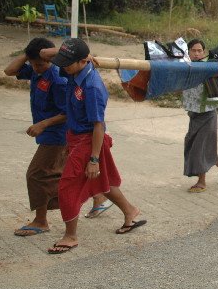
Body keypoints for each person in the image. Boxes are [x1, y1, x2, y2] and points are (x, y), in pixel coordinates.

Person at [41, 38, 145, 254]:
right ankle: (130, 211)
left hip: (89, 141)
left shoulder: (92, 86)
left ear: (81, 62)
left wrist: (94, 159)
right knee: (102, 181)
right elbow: (43, 54)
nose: (62, 66)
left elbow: (98, 125)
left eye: (67, 62)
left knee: (67, 187)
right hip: (76, 137)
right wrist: (72, 53)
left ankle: (70, 236)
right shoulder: (73, 71)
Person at [4, 38, 73, 237]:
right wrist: (29, 54)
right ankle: (99, 194)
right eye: (33, 64)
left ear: (50, 60)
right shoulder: (36, 71)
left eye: (40, 64)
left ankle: (41, 221)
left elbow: (68, 112)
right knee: (58, 174)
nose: (36, 68)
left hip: (57, 134)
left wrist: (43, 124)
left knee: (36, 174)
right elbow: (9, 71)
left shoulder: (57, 79)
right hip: (47, 134)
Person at [182, 39, 218, 193]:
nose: (196, 54)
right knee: (196, 145)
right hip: (194, 114)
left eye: (199, 51)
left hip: (207, 114)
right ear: (188, 52)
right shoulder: (184, 66)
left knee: (199, 148)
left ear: (204, 52)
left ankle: (201, 182)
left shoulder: (209, 66)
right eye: (193, 50)